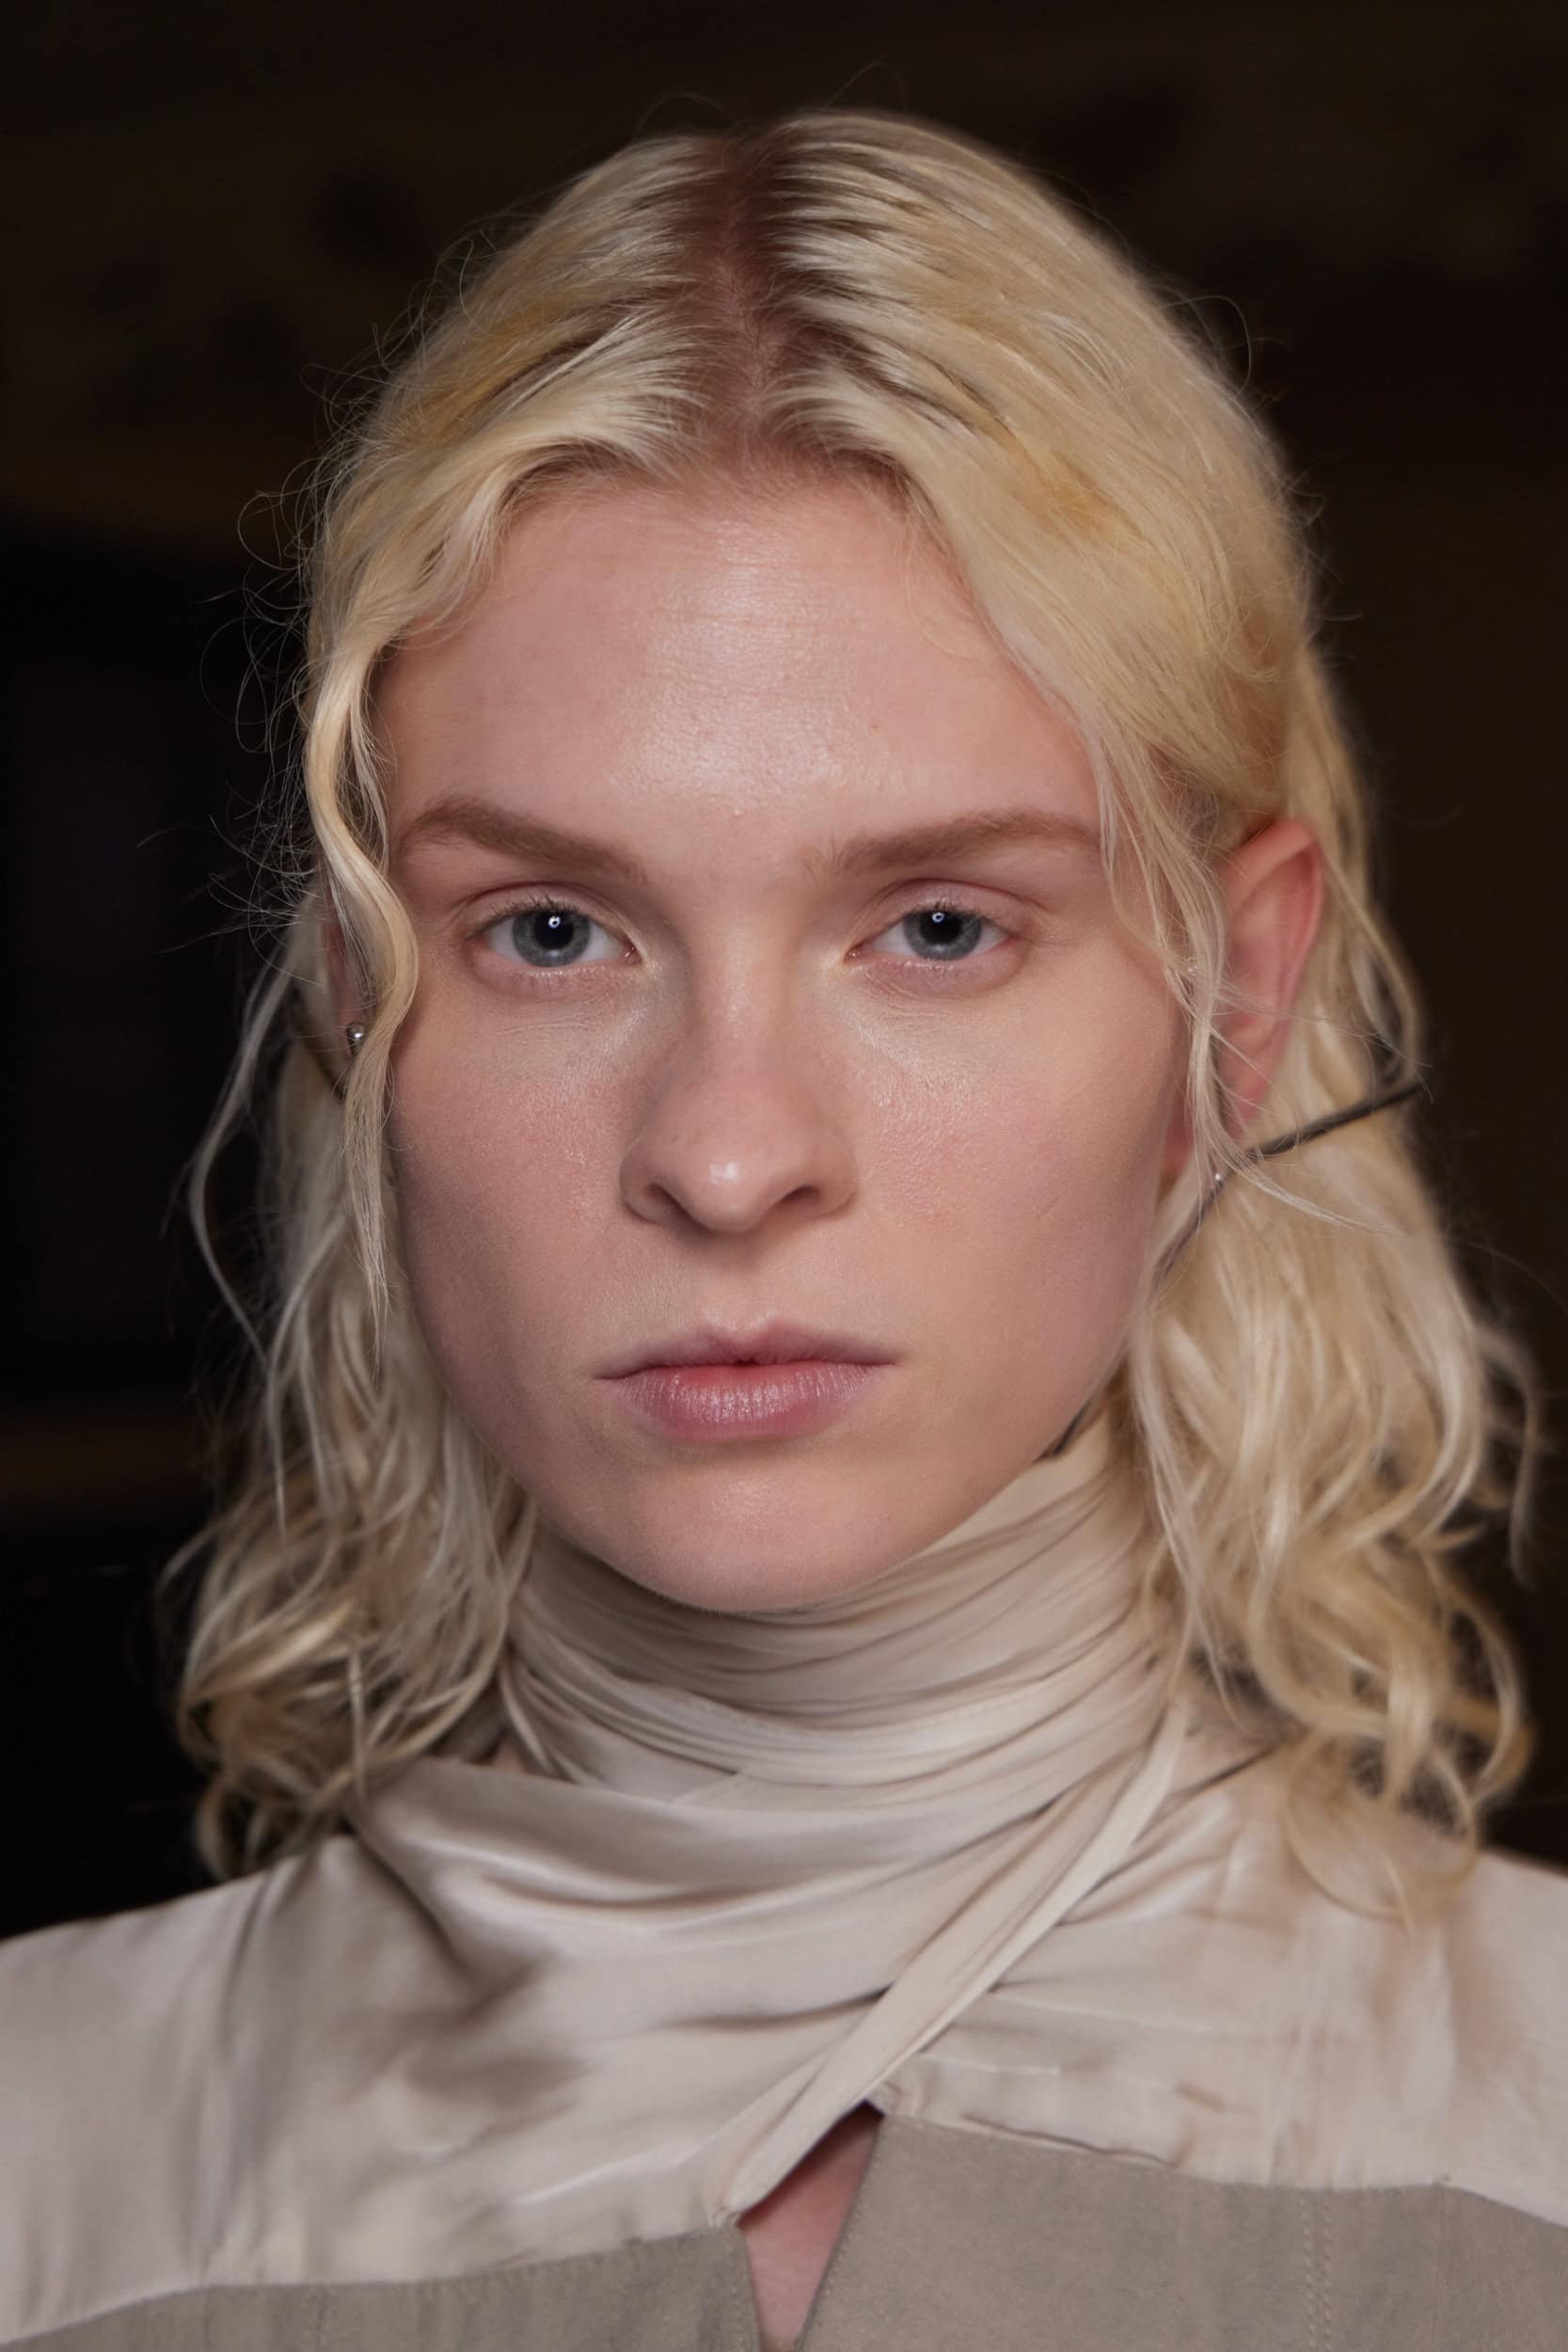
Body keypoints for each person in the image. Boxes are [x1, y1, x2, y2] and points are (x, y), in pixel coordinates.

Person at [3, 107, 1563, 2352]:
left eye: (937, 925)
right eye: (552, 929)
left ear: (1237, 1003)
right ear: (360, 1002)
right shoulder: (39, 2160)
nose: (729, 1158)